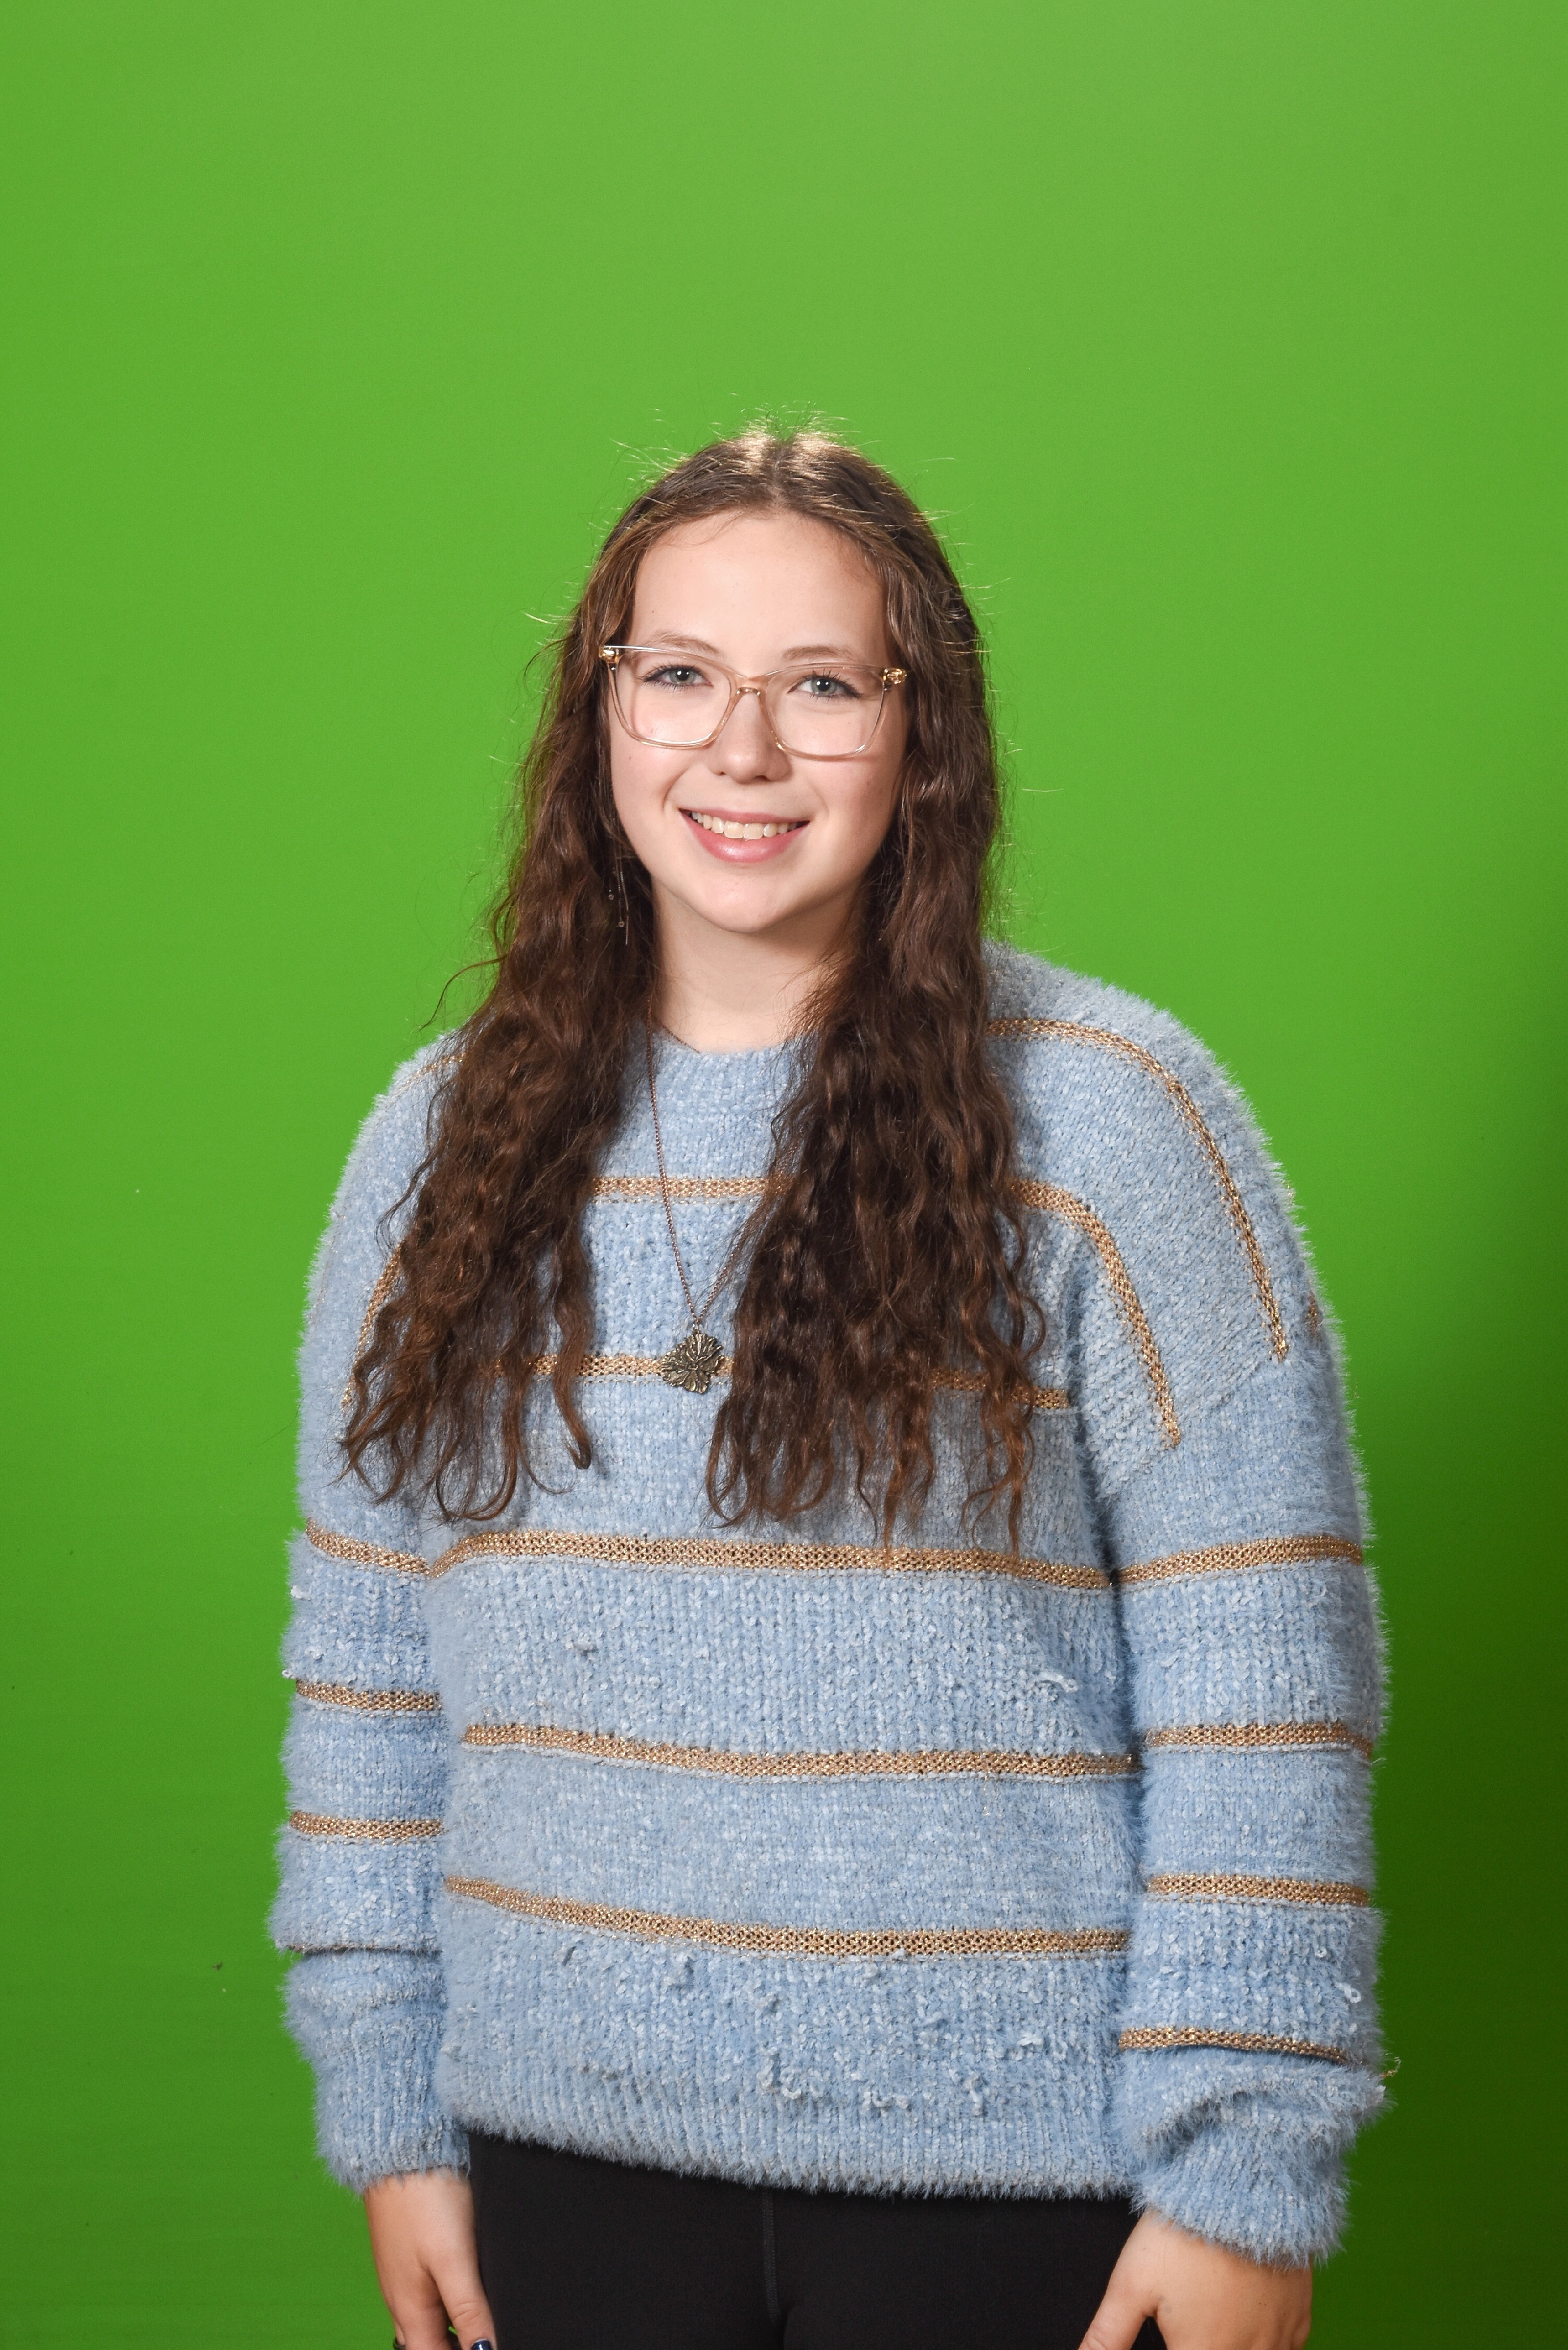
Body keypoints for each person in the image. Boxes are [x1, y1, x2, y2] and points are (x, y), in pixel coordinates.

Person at [272, 430, 1383, 2350]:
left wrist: (1243, 2169)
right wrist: (388, 2106)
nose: (742, 751)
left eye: (820, 687)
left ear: (919, 732)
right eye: (679, 674)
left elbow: (1263, 1675)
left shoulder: (1114, 1120)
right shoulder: (442, 1142)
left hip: (1024, 2194)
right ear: (600, 711)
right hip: (553, 2161)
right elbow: (366, 1663)